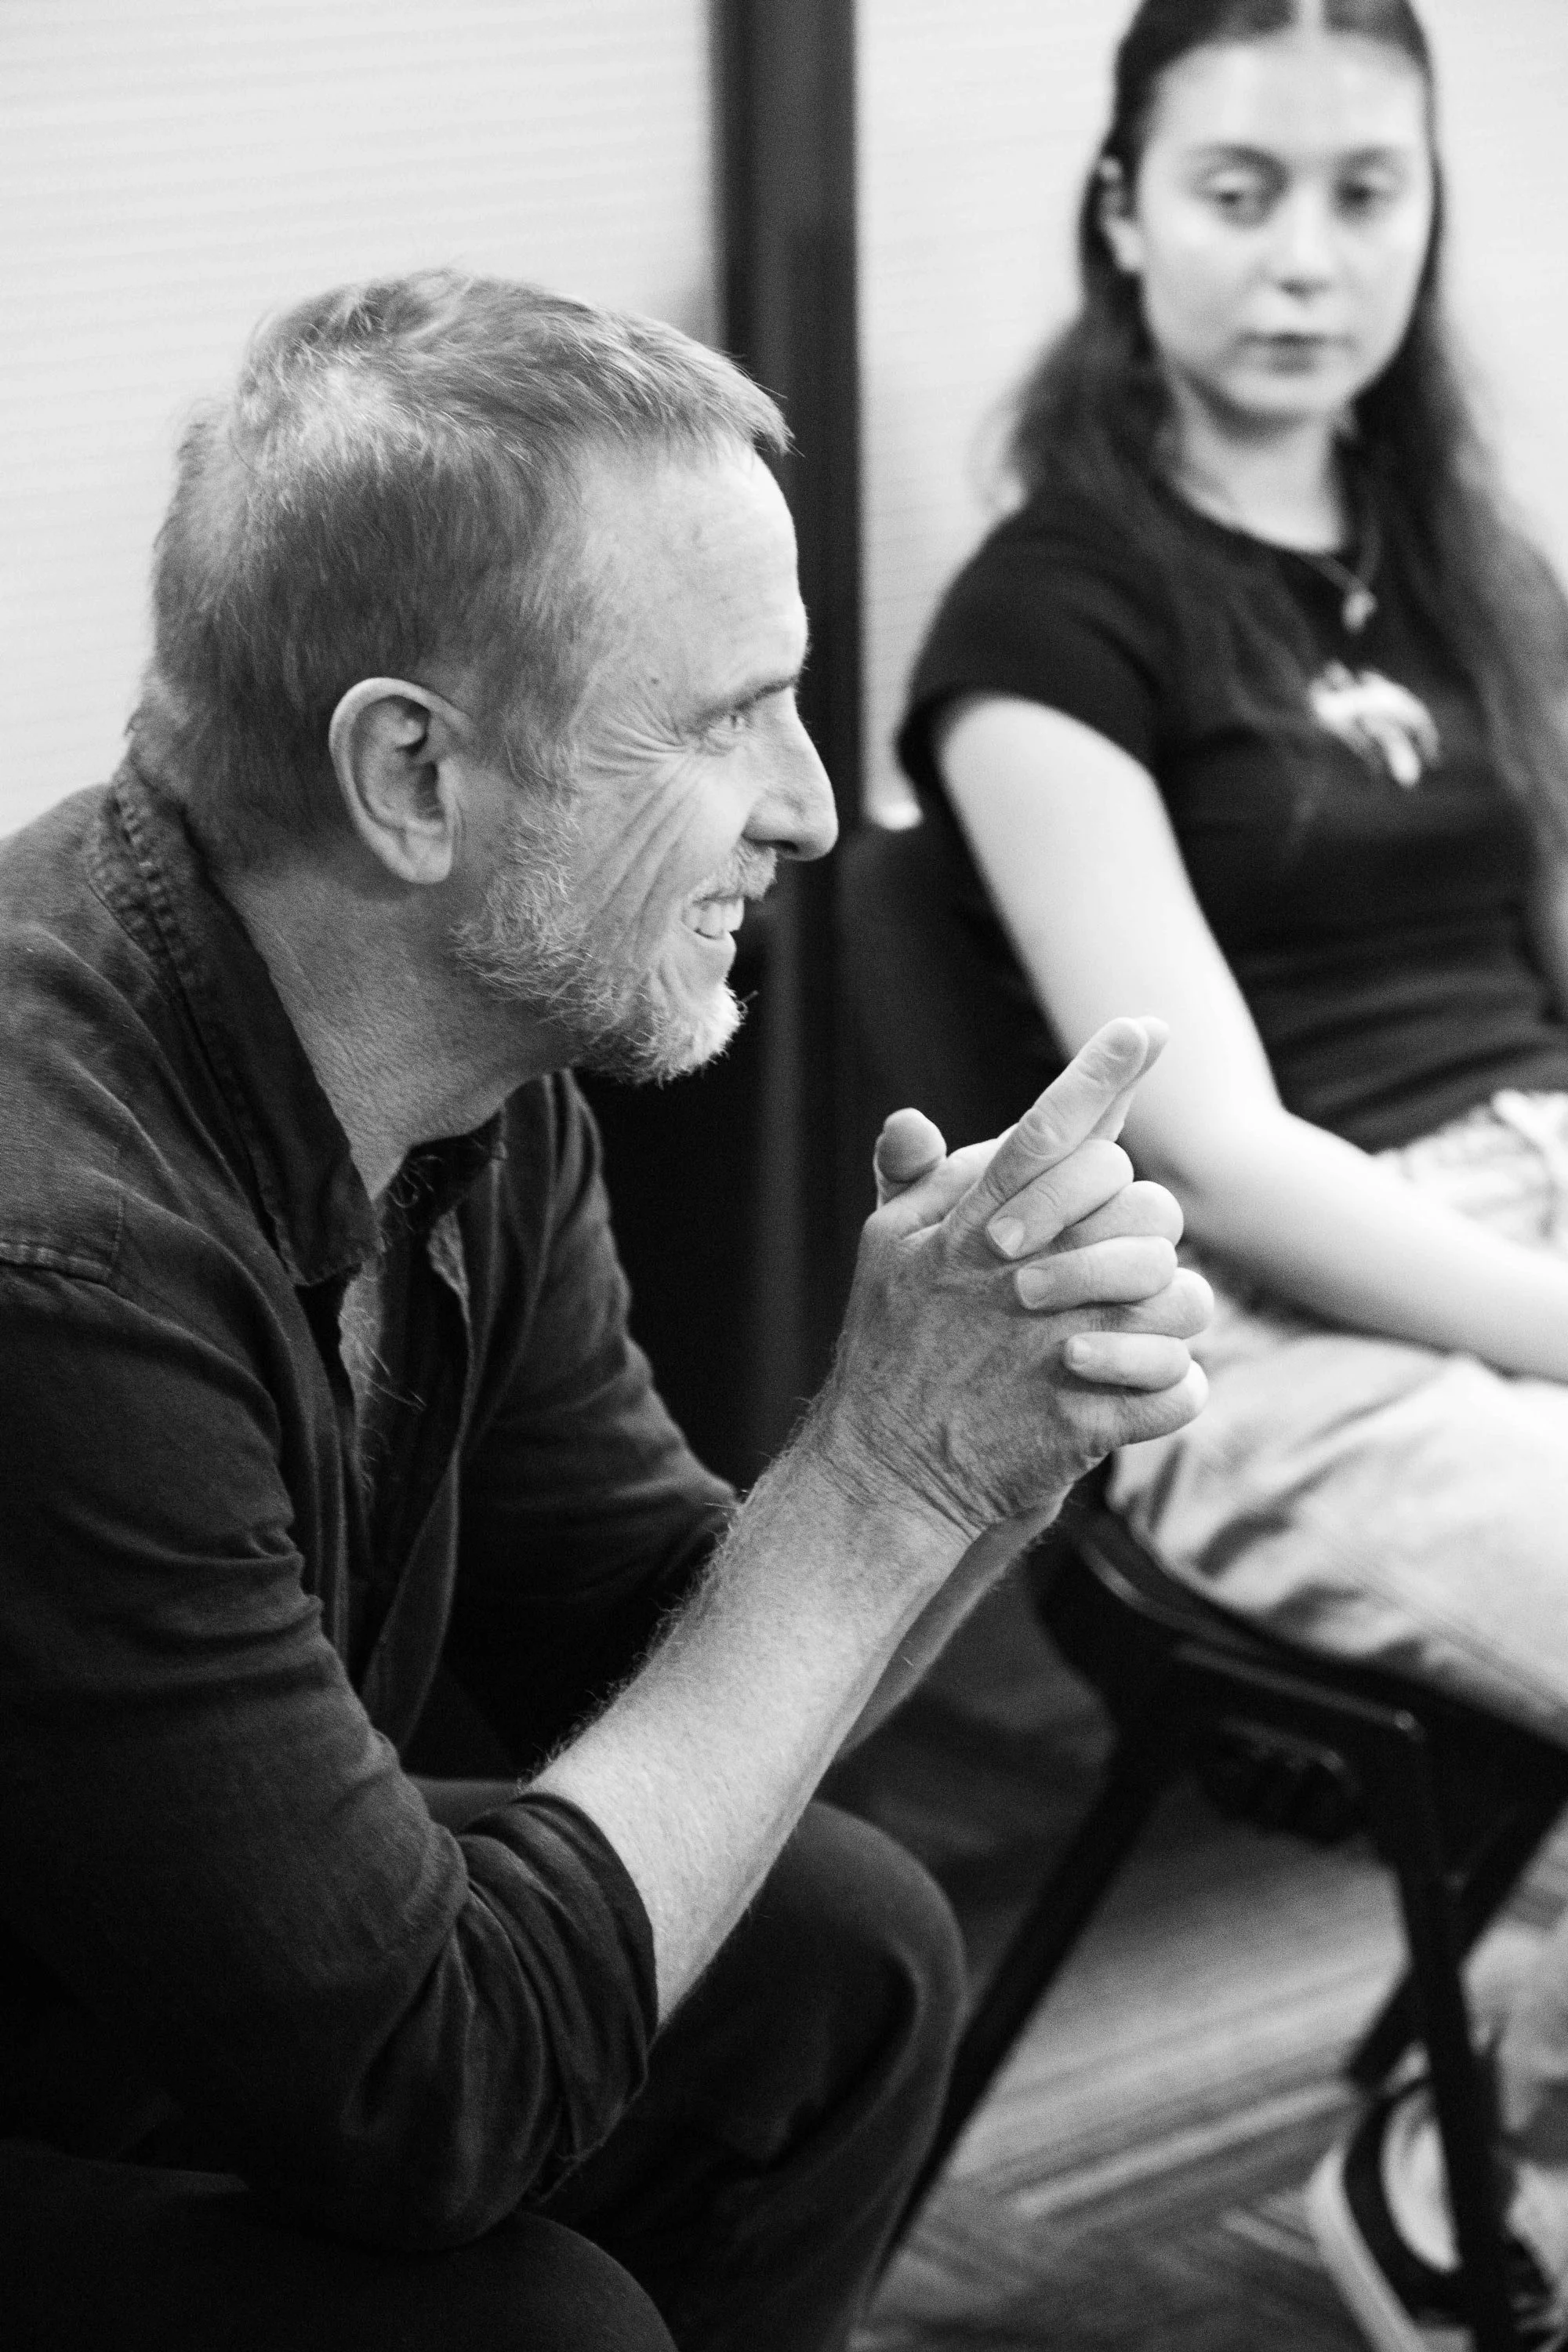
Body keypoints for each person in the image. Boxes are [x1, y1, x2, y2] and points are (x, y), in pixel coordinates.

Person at [0, 270, 1210, 2352]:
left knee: (839, 1958)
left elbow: (652, 1658)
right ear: (414, 780)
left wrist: (975, 1459)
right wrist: (880, 1476)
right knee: (534, 2321)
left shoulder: (470, 1067)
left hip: (121, 1936)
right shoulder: (58, 1260)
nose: (814, 807)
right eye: (726, 714)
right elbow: (424, 2102)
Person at [895, 1, 1568, 2344]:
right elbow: (1214, 1150)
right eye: (1240, 188)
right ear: (1125, 213)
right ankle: (1465, 2158)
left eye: (1365, 192)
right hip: (1256, 1330)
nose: (1307, 259)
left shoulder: (1470, 571)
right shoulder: (1048, 617)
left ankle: (1499, 2106)